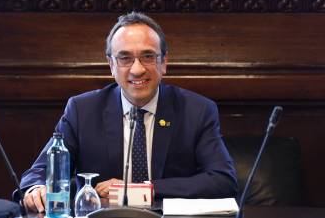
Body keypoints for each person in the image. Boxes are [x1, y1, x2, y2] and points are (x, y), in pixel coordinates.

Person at [18, 12, 238, 213]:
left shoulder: (197, 110)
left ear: (164, 63)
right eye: (125, 58)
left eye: (148, 56)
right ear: (111, 65)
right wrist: (35, 189)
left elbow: (222, 180)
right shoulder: (82, 110)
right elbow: (39, 172)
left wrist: (138, 191)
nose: (137, 69)